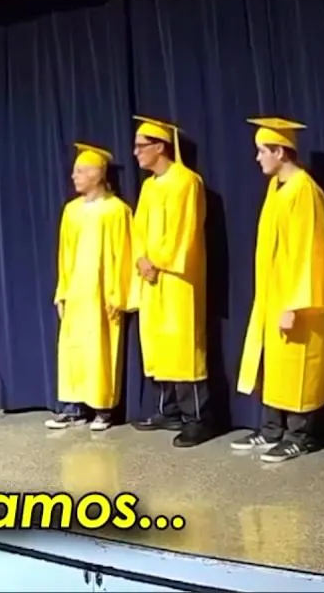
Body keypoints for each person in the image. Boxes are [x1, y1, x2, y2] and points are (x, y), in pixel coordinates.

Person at [232, 117, 324, 464]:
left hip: (295, 299)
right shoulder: (277, 188)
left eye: (262, 151)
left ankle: (300, 436)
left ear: (280, 151)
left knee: (298, 366)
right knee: (274, 366)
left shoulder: (304, 190)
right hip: (273, 294)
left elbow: (311, 251)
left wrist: (296, 303)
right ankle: (272, 428)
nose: (257, 158)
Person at [125, 117, 213, 447]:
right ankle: (168, 410)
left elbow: (184, 232)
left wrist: (156, 262)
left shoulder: (187, 182)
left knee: (183, 346)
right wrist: (141, 259)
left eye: (141, 146)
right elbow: (138, 230)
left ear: (160, 147)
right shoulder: (149, 186)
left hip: (178, 278)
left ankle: (198, 418)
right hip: (151, 276)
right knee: (158, 343)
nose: (135, 152)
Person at [47, 143, 133, 432]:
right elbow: (64, 255)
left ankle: (102, 409)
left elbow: (125, 254)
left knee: (100, 349)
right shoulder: (71, 211)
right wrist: (62, 292)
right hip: (76, 291)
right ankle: (74, 407)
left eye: (81, 171)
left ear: (98, 174)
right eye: (75, 171)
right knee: (73, 349)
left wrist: (119, 294)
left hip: (103, 292)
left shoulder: (116, 211)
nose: (74, 176)